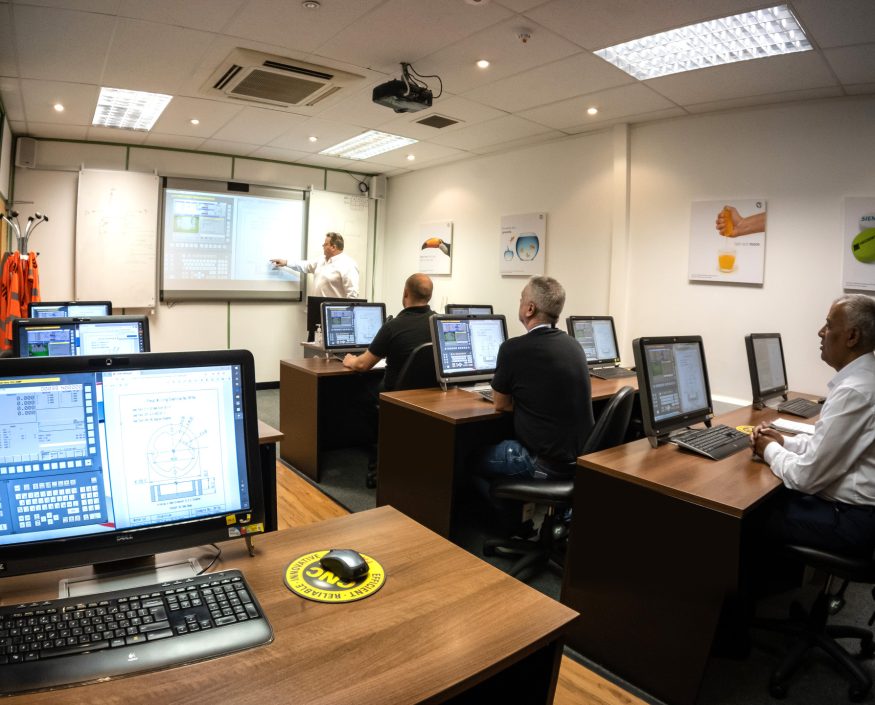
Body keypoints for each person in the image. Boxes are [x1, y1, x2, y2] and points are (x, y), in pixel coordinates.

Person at [751, 293, 875, 557]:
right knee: (771, 495)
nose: (821, 332)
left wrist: (769, 450)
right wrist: (785, 442)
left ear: (851, 337)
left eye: (829, 325)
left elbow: (807, 478)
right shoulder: (865, 379)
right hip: (860, 510)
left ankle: (743, 598)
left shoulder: (855, 391)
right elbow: (829, 445)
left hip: (856, 521)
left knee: (750, 516)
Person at [471, 276, 594, 533]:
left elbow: (500, 405)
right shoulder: (573, 345)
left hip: (541, 463)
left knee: (466, 456)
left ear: (529, 309)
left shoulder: (513, 349)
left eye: (521, 298)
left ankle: (512, 527)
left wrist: (529, 405)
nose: (519, 302)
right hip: (576, 462)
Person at [342, 273, 434, 392]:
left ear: (405, 292)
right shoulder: (439, 324)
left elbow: (362, 365)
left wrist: (350, 360)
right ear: (430, 296)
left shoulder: (393, 326)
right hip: (429, 396)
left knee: (353, 389)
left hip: (394, 397)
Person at [271, 232, 359, 298]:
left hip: (333, 313)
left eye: (325, 244)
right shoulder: (321, 260)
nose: (323, 246)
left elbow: (352, 294)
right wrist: (286, 262)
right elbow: (305, 266)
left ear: (333, 247)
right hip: (316, 309)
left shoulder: (348, 264)